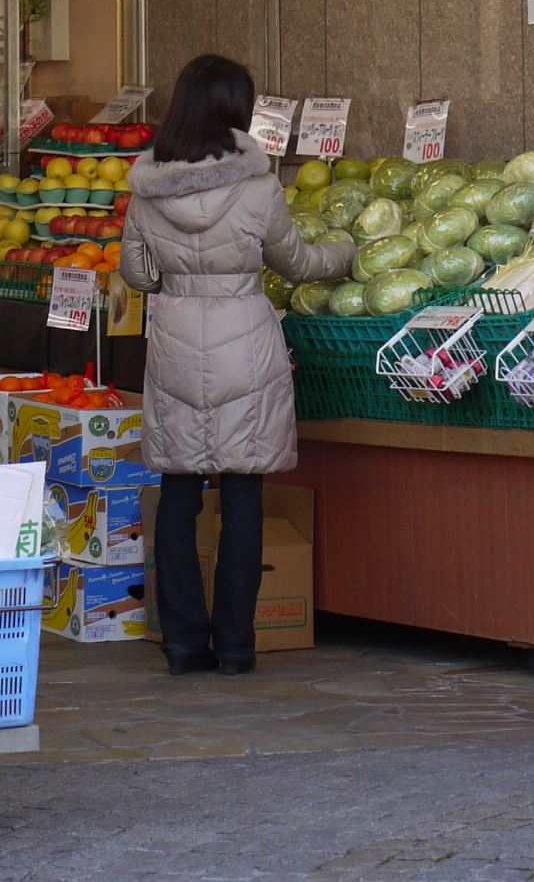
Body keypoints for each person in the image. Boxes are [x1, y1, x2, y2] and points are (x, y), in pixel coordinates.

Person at [115, 52, 356, 675]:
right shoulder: (259, 183)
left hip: (173, 341)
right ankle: (238, 647)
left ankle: (182, 644)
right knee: (243, 495)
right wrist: (346, 250)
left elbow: (139, 275)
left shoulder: (144, 188)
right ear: (235, 111)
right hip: (245, 341)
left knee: (177, 494)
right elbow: (298, 263)